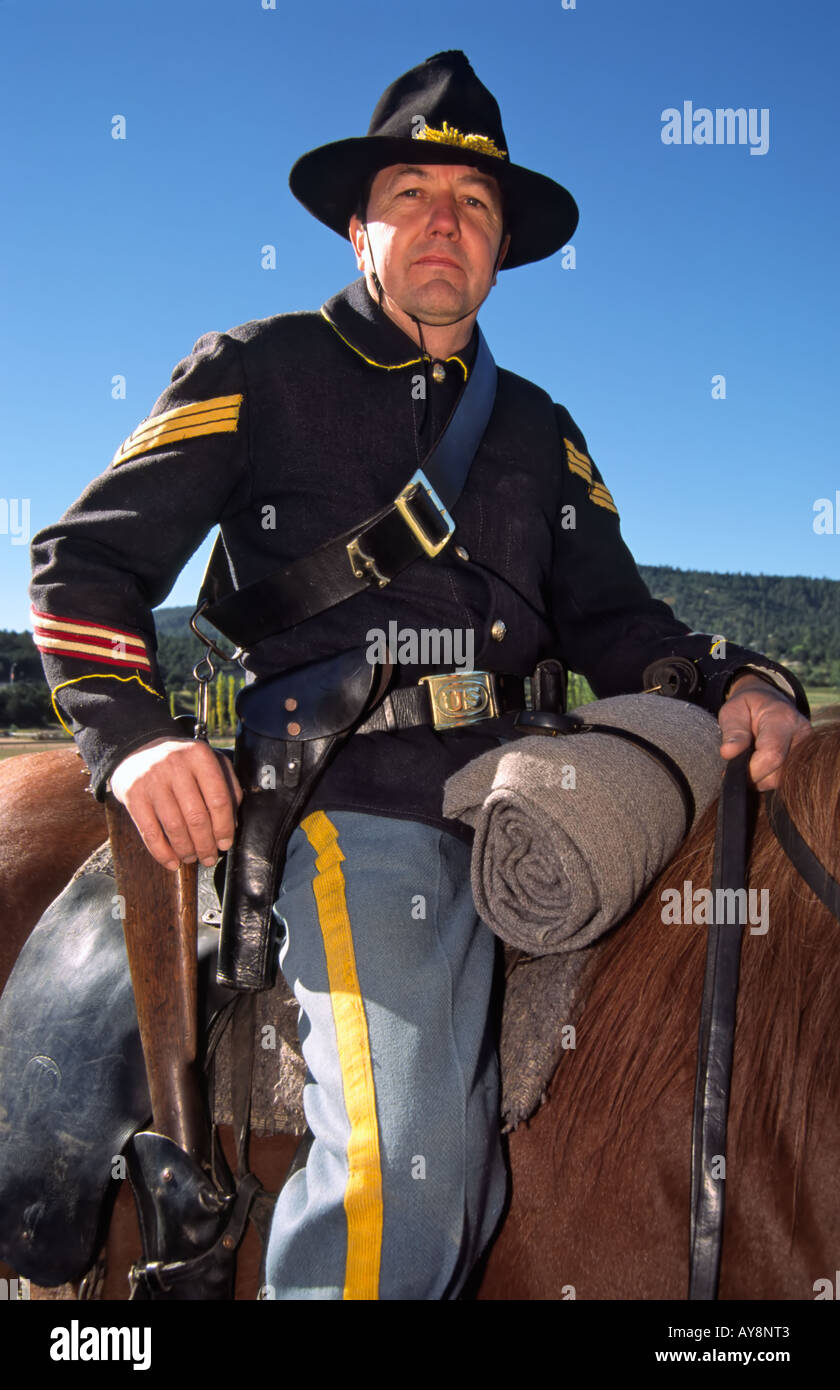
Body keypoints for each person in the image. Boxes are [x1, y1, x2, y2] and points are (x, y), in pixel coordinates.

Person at [29, 51, 811, 1300]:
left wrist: (738, 683)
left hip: (537, 786)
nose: (446, 223)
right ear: (360, 228)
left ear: (501, 250)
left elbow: (617, 619)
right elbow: (80, 564)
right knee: (414, 1169)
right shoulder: (256, 368)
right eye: (412, 195)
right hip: (358, 800)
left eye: (476, 206)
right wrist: (134, 735)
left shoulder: (543, 430)